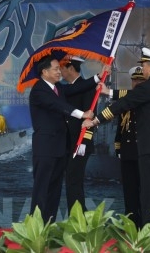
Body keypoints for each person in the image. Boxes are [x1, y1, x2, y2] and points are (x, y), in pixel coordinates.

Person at [83, 47, 150, 226]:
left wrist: (96, 120)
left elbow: (124, 104)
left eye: (144, 66)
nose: (143, 69)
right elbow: (132, 95)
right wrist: (109, 92)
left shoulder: (149, 87)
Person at [29, 54, 106, 223]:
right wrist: (82, 114)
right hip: (46, 148)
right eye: (56, 69)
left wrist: (98, 77)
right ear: (44, 71)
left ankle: (48, 225)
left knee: (54, 190)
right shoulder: (39, 89)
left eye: (60, 68)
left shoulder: (58, 89)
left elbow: (77, 88)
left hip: (59, 148)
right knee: (42, 189)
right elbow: (58, 105)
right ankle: (34, 229)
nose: (59, 72)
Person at [60, 56, 96, 214]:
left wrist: (82, 143)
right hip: (68, 143)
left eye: (62, 67)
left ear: (70, 68)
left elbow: (90, 117)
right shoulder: (67, 88)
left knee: (73, 181)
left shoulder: (86, 88)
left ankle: (78, 219)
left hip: (80, 143)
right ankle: (78, 218)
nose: (60, 71)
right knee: (71, 181)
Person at [114, 66, 145, 228]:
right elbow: (120, 127)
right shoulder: (125, 102)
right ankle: (132, 227)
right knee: (130, 194)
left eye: (141, 80)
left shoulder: (147, 98)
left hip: (144, 153)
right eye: (135, 80)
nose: (137, 83)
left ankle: (146, 228)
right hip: (127, 153)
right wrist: (118, 148)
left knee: (145, 194)